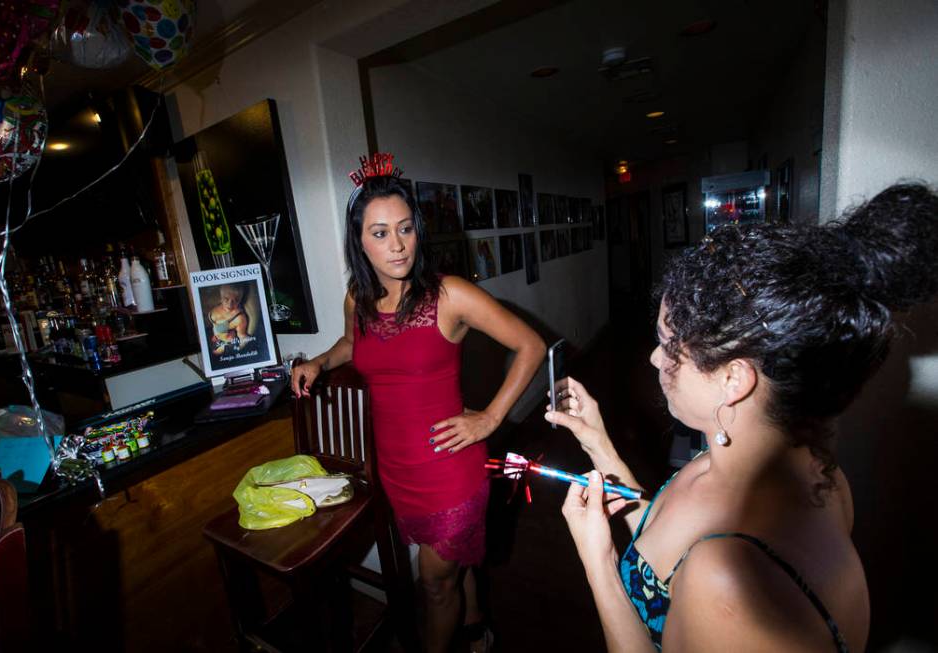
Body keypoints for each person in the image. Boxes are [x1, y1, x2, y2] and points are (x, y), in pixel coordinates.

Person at [546, 183, 938, 652]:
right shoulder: (812, 472)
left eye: (671, 347)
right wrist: (599, 443)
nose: (654, 359)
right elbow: (666, 549)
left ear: (734, 380)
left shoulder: (727, 581)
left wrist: (600, 564)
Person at [291, 171, 545, 653]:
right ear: (359, 241)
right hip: (396, 469)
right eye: (380, 232)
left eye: (405, 228)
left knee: (432, 583)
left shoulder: (449, 295)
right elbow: (352, 343)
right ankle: (477, 631)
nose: (398, 245)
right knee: (452, 566)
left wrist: (490, 418)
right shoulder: (358, 299)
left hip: (450, 468)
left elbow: (530, 344)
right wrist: (321, 360)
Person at [208, 283, 250, 355]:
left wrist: (237, 351)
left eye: (236, 300)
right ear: (221, 298)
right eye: (226, 299)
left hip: (227, 345)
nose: (230, 304)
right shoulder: (215, 308)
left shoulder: (239, 318)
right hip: (215, 339)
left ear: (240, 300)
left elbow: (243, 338)